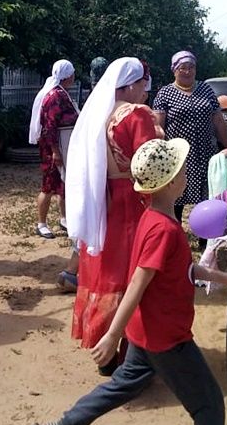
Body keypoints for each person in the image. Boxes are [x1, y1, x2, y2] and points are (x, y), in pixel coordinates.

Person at [34, 138, 227, 425]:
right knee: (209, 402)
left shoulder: (154, 218)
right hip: (166, 337)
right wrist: (111, 335)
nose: (186, 173)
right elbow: (138, 282)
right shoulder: (163, 230)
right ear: (169, 182)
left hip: (148, 332)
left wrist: (222, 277)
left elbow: (182, 269)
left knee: (121, 387)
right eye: (181, 170)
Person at [65, 57, 159, 373]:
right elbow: (150, 165)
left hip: (101, 201)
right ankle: (129, 352)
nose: (145, 91)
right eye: (143, 84)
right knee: (134, 271)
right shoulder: (136, 115)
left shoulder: (96, 114)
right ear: (130, 84)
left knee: (106, 270)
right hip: (133, 201)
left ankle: (103, 347)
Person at [153, 51, 227, 223]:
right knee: (175, 198)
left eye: (191, 68)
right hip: (178, 156)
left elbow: (218, 120)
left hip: (205, 153)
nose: (187, 71)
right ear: (174, 70)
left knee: (207, 196)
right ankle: (173, 232)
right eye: (183, 68)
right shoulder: (165, 93)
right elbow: (158, 127)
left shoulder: (206, 89)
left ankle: (206, 236)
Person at [28, 60, 79, 240]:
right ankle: (41, 223)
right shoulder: (55, 96)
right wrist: (55, 151)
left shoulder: (62, 93)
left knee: (63, 182)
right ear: (68, 75)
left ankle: (63, 218)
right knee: (49, 184)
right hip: (54, 146)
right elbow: (49, 126)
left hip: (63, 144)